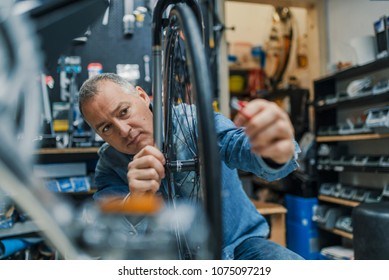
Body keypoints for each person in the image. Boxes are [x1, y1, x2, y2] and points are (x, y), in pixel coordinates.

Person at [78, 72, 303, 260]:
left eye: (124, 112)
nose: (123, 131)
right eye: (106, 128)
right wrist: (136, 200)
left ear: (142, 96)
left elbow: (238, 145)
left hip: (237, 248)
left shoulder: (194, 121)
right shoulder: (110, 164)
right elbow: (106, 235)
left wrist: (273, 150)